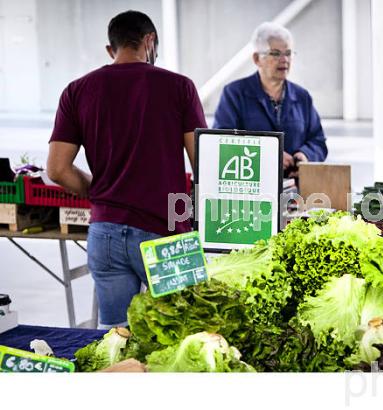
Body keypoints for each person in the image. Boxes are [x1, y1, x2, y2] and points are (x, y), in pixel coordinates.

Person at [47, 10, 207, 329]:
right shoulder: (179, 87)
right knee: (186, 335)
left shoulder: (77, 91)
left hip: (105, 232)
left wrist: (101, 194)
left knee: (116, 341)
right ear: (149, 42)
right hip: (167, 232)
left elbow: (57, 169)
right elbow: (203, 162)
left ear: (112, 49)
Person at [213, 22, 327, 177]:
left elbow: (318, 140)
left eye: (288, 53)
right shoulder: (234, 94)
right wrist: (268, 157)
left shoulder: (302, 97)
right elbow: (222, 142)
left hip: (295, 191)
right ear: (257, 59)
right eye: (275, 53)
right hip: (252, 187)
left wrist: (305, 155)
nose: (284, 59)